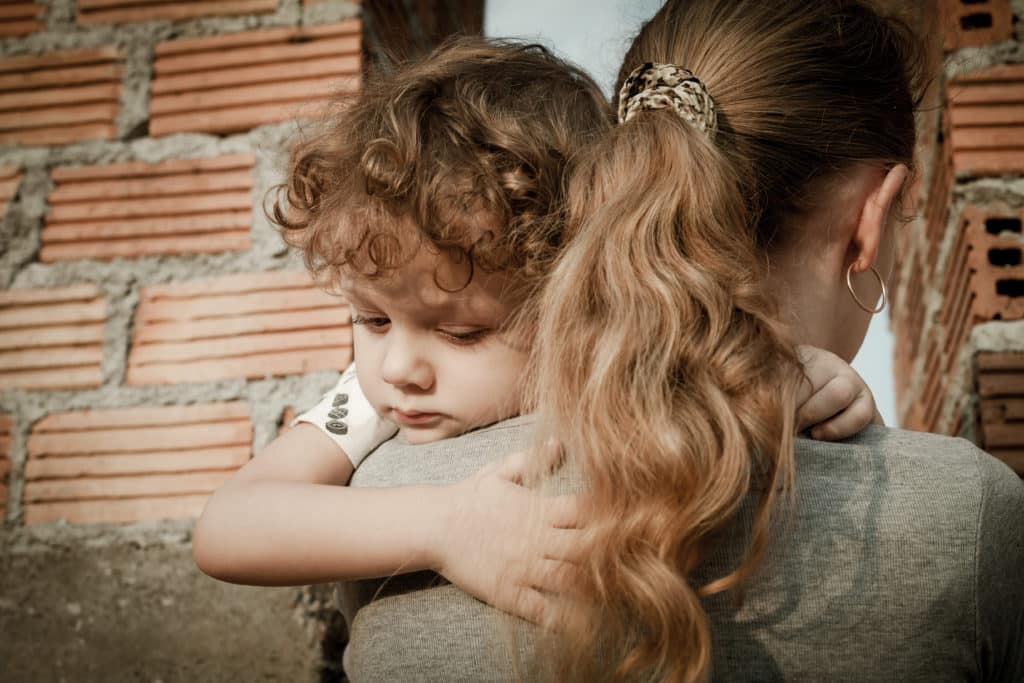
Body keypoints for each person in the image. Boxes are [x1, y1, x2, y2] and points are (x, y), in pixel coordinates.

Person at [335, 1, 1024, 682]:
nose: (403, 367)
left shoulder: (371, 502)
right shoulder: (968, 519)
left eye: (459, 331)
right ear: (872, 218)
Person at [191, 37, 882, 635]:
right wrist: (441, 524)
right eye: (372, 320)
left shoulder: (610, 357)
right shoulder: (368, 404)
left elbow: (735, 396)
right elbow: (230, 525)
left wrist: (809, 381)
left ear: (573, 301)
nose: (399, 367)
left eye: (462, 332)